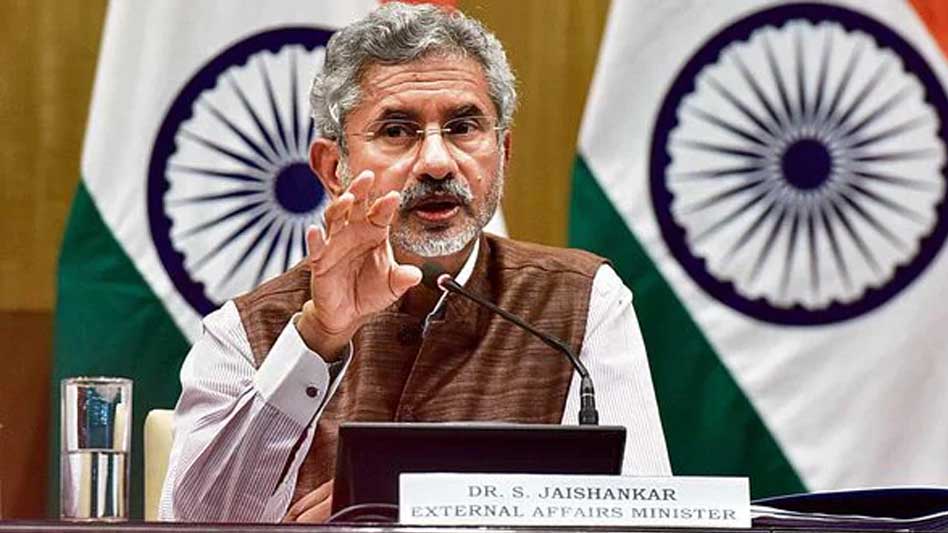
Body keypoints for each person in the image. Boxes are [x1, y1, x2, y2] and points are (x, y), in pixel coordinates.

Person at [159, 3, 670, 523]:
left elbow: (644, 518)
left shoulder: (581, 300)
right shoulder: (245, 329)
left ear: (503, 153)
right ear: (333, 168)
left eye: (463, 127)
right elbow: (193, 524)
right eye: (397, 131)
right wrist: (318, 338)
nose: (437, 163)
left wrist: (411, 503)